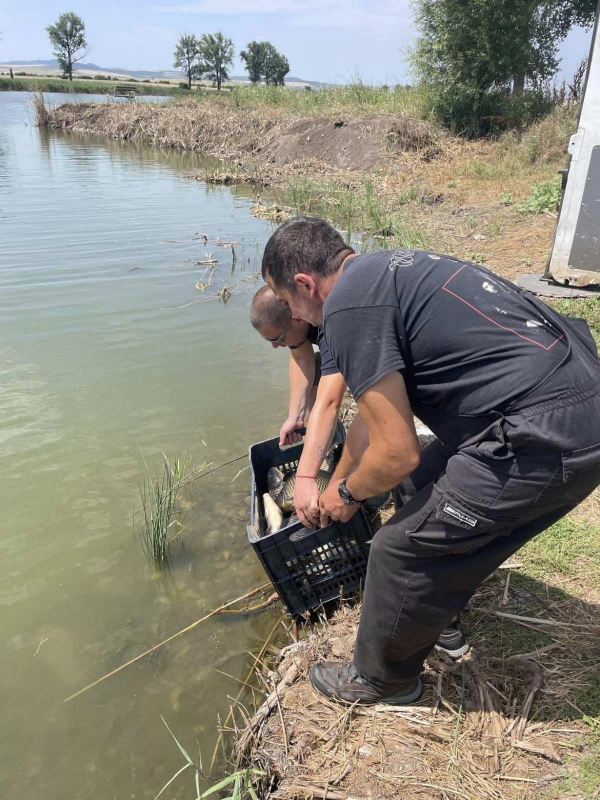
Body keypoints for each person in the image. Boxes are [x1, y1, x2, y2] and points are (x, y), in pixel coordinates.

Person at [262, 215, 600, 706]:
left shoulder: (348, 310)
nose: (299, 318)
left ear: (304, 284)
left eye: (290, 304)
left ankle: (383, 679)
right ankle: (435, 614)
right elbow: (377, 422)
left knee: (398, 552)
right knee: (420, 483)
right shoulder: (385, 270)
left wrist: (348, 493)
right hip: (574, 399)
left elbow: (396, 451)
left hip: (544, 435)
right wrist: (338, 478)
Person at [250, 285, 347, 527]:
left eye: (276, 338)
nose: (274, 346)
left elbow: (331, 402)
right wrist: (297, 414)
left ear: (295, 317)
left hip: (369, 354)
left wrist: (305, 475)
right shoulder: (298, 324)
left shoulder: (330, 326)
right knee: (313, 361)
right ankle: (320, 439)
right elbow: (301, 357)